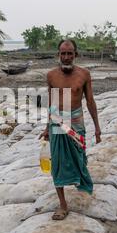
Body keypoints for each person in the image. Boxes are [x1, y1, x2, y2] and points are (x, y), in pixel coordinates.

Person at [38, 39, 101, 220]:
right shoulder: (51, 76)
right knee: (57, 163)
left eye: (70, 53)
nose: (66, 57)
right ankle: (63, 205)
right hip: (58, 121)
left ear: (76, 55)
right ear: (58, 55)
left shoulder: (84, 74)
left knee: (79, 158)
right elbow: (52, 103)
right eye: (63, 53)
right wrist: (47, 127)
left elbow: (90, 101)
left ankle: (78, 182)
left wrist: (97, 127)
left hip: (77, 122)